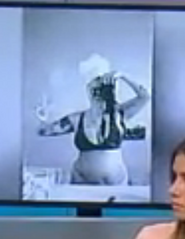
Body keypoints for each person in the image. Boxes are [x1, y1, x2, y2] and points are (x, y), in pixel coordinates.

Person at [36, 54, 149, 186]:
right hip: (81, 181)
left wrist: (123, 75)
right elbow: (44, 131)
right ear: (88, 91)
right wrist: (42, 116)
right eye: (95, 89)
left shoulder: (119, 114)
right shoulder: (77, 119)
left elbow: (145, 97)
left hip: (115, 184)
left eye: (103, 89)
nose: (99, 93)